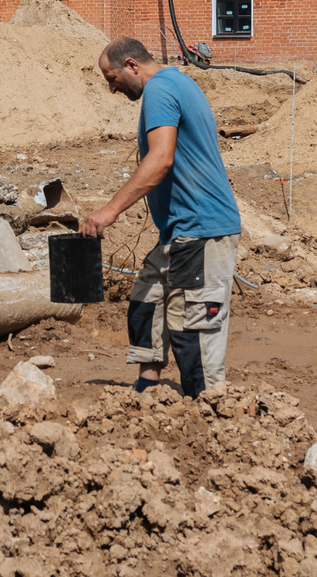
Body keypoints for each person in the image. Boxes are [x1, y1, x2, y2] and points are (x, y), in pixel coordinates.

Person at [80, 36, 242, 396]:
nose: (111, 89)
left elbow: (161, 159)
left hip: (202, 230)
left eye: (112, 78)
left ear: (132, 66)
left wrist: (108, 212)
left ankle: (209, 407)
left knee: (193, 330)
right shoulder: (177, 83)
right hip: (179, 231)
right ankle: (147, 388)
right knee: (146, 302)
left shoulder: (159, 90)